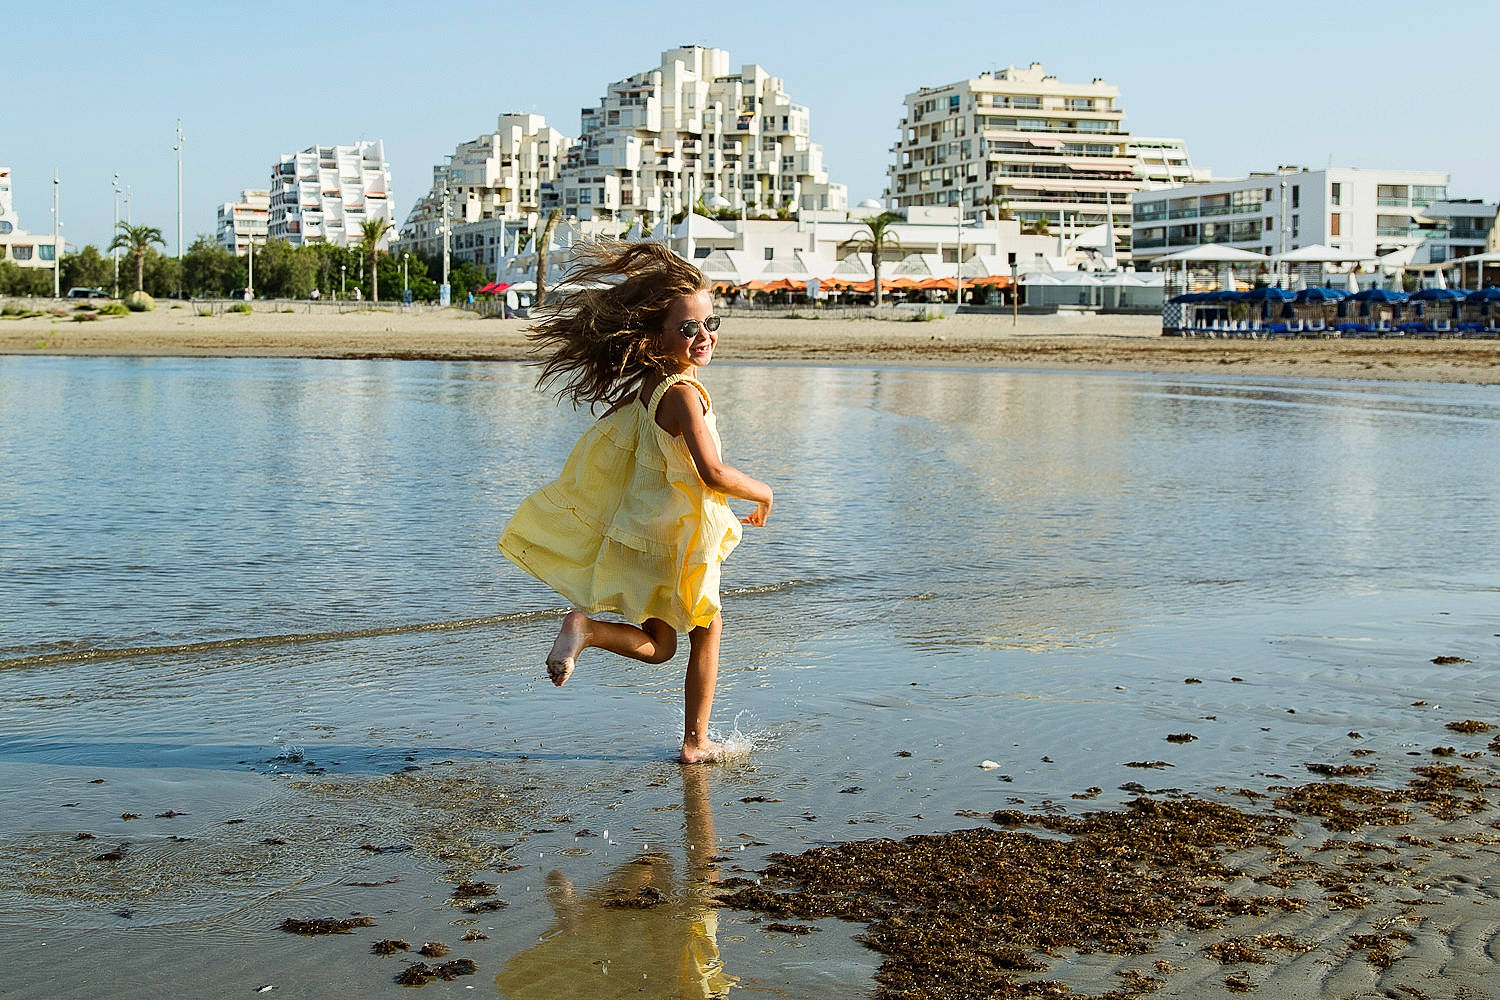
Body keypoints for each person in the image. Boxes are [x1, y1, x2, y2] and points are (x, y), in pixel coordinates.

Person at [499, 241, 773, 764]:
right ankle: (696, 742)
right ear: (658, 334)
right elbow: (713, 472)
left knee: (663, 645)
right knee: (708, 628)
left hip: (651, 529)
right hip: (678, 535)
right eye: (688, 328)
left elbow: (616, 439)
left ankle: (587, 630)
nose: (704, 337)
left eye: (710, 323)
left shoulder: (651, 383)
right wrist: (764, 491)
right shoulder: (685, 394)